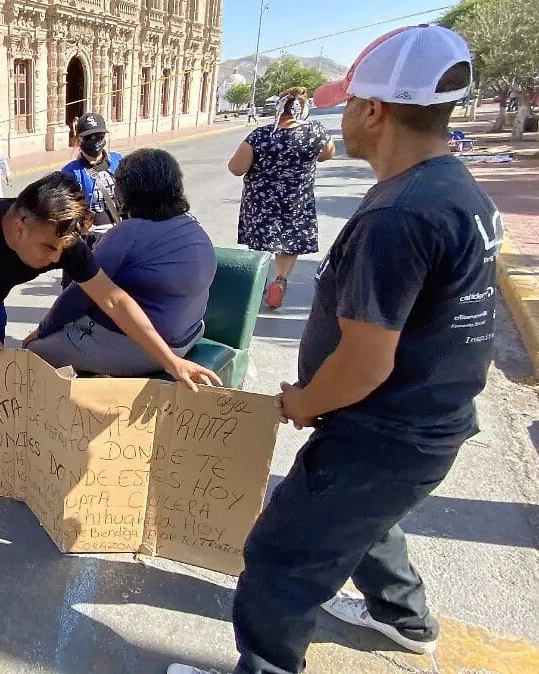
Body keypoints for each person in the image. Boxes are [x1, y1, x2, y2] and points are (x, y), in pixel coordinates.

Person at [169, 25, 500, 674]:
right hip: (423, 426)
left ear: (373, 111)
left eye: (345, 103)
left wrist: (302, 401)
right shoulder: (455, 188)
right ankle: (402, 618)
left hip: (383, 430)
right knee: (368, 518)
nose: (337, 116)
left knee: (280, 558)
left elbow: (365, 362)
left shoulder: (399, 215)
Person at [0, 172, 221, 473]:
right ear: (20, 227)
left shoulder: (62, 242)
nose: (55, 259)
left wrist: (172, 361)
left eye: (61, 250)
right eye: (48, 249)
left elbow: (113, 299)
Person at [25, 149, 215, 376]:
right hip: (190, 334)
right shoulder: (192, 225)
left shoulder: (128, 232)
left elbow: (80, 293)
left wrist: (43, 329)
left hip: (149, 349)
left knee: (32, 353)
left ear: (126, 190)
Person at [228, 86, 336, 310]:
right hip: (296, 201)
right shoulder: (314, 132)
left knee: (260, 245)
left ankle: (259, 283)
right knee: (289, 244)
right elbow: (327, 154)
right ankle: (280, 279)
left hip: (260, 203)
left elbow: (236, 168)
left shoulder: (261, 135)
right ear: (303, 109)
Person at [60, 112, 123, 287]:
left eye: (99, 136)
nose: (95, 140)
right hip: (92, 240)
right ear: (80, 140)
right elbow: (68, 212)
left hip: (119, 234)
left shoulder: (118, 161)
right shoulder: (70, 172)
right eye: (89, 137)